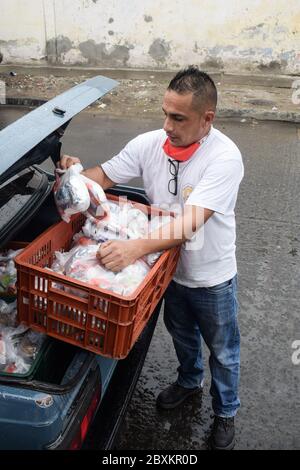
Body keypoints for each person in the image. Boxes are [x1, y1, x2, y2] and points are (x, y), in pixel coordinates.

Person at [60, 66, 244, 450]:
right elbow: (104, 177)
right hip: (166, 273)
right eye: (165, 113)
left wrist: (133, 249)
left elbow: (190, 222)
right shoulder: (149, 144)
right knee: (182, 335)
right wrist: (73, 178)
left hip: (211, 277)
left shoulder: (225, 158)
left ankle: (226, 410)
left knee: (224, 351)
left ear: (207, 118)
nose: (167, 125)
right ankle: (189, 382)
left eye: (178, 118)